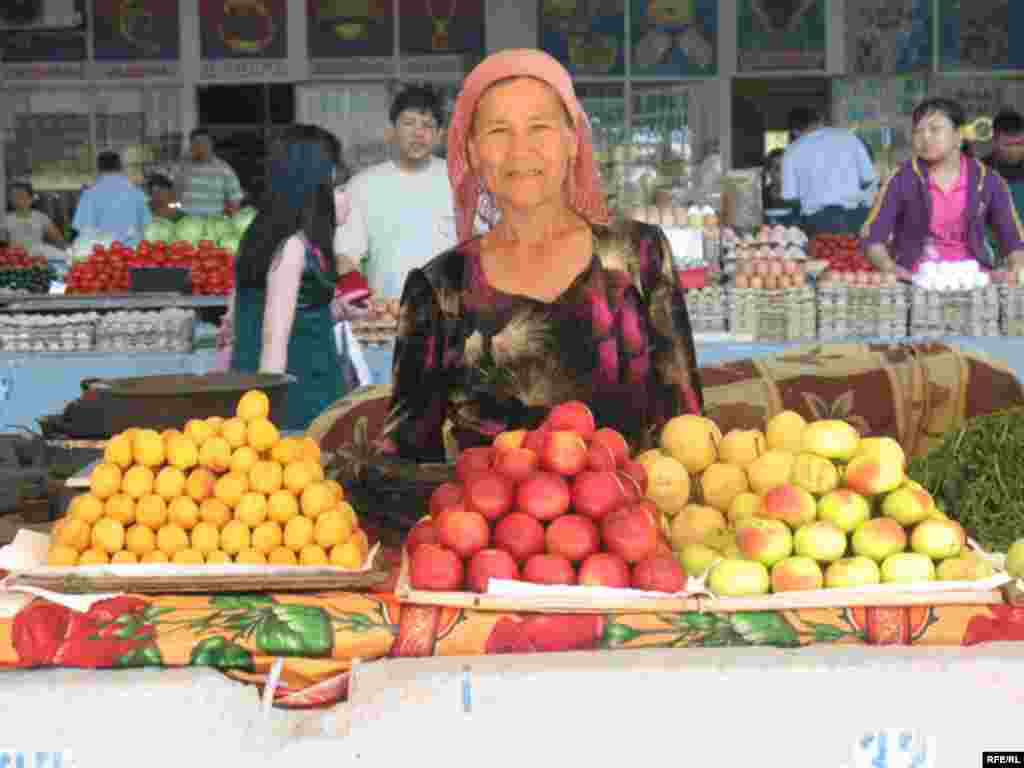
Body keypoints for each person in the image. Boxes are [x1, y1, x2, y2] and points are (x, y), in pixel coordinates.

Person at [378, 48, 703, 463]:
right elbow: (407, 458)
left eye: (540, 127)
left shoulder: (639, 256)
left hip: (632, 520)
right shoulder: (440, 288)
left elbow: (688, 426)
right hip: (491, 526)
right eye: (498, 131)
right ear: (473, 151)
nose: (520, 150)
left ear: (572, 140)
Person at [227, 125, 363, 432]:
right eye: (338, 186)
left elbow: (264, 314)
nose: (345, 197)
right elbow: (273, 347)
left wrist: (334, 311)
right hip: (298, 405)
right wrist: (261, 429)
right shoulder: (292, 248)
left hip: (307, 393)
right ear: (314, 186)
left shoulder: (260, 236)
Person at [863, 98, 1024, 276]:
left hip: (975, 281)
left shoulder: (988, 180)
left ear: (958, 136)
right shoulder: (902, 179)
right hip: (915, 282)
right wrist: (889, 267)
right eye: (918, 131)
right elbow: (873, 238)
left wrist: (1016, 266)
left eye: (935, 129)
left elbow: (1013, 238)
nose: (925, 137)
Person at [335, 85, 457, 300]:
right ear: (391, 131)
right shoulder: (363, 186)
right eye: (409, 123)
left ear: (440, 135)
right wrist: (360, 301)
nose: (418, 133)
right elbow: (346, 256)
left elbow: (486, 250)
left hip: (452, 318)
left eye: (428, 126)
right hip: (388, 319)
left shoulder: (460, 182)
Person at [781, 107, 878, 236]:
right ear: (820, 121)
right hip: (855, 217)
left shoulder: (792, 150)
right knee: (854, 254)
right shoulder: (849, 137)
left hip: (816, 221)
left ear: (795, 132)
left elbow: (790, 197)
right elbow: (868, 180)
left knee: (821, 254)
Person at [71, 151, 151, 247]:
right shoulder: (137, 194)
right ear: (120, 167)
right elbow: (147, 226)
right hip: (134, 255)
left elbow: (83, 230)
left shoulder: (89, 195)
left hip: (102, 256)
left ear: (98, 168)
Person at [176, 128, 245, 218]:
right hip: (187, 224)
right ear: (191, 146)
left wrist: (233, 223)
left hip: (214, 224)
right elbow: (175, 197)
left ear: (211, 145)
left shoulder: (224, 169)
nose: (200, 146)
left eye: (204, 142)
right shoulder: (182, 168)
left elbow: (235, 200)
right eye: (196, 143)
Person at [3, 181, 67, 261]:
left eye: (21, 196)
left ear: (31, 199)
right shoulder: (5, 220)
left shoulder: (41, 217)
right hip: (14, 261)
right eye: (13, 196)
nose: (17, 199)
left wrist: (68, 252)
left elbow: (58, 239)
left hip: (37, 261)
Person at [983, 109, 1024, 219]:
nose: (1014, 150)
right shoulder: (978, 171)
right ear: (994, 142)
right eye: (1008, 145)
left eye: (1019, 144)